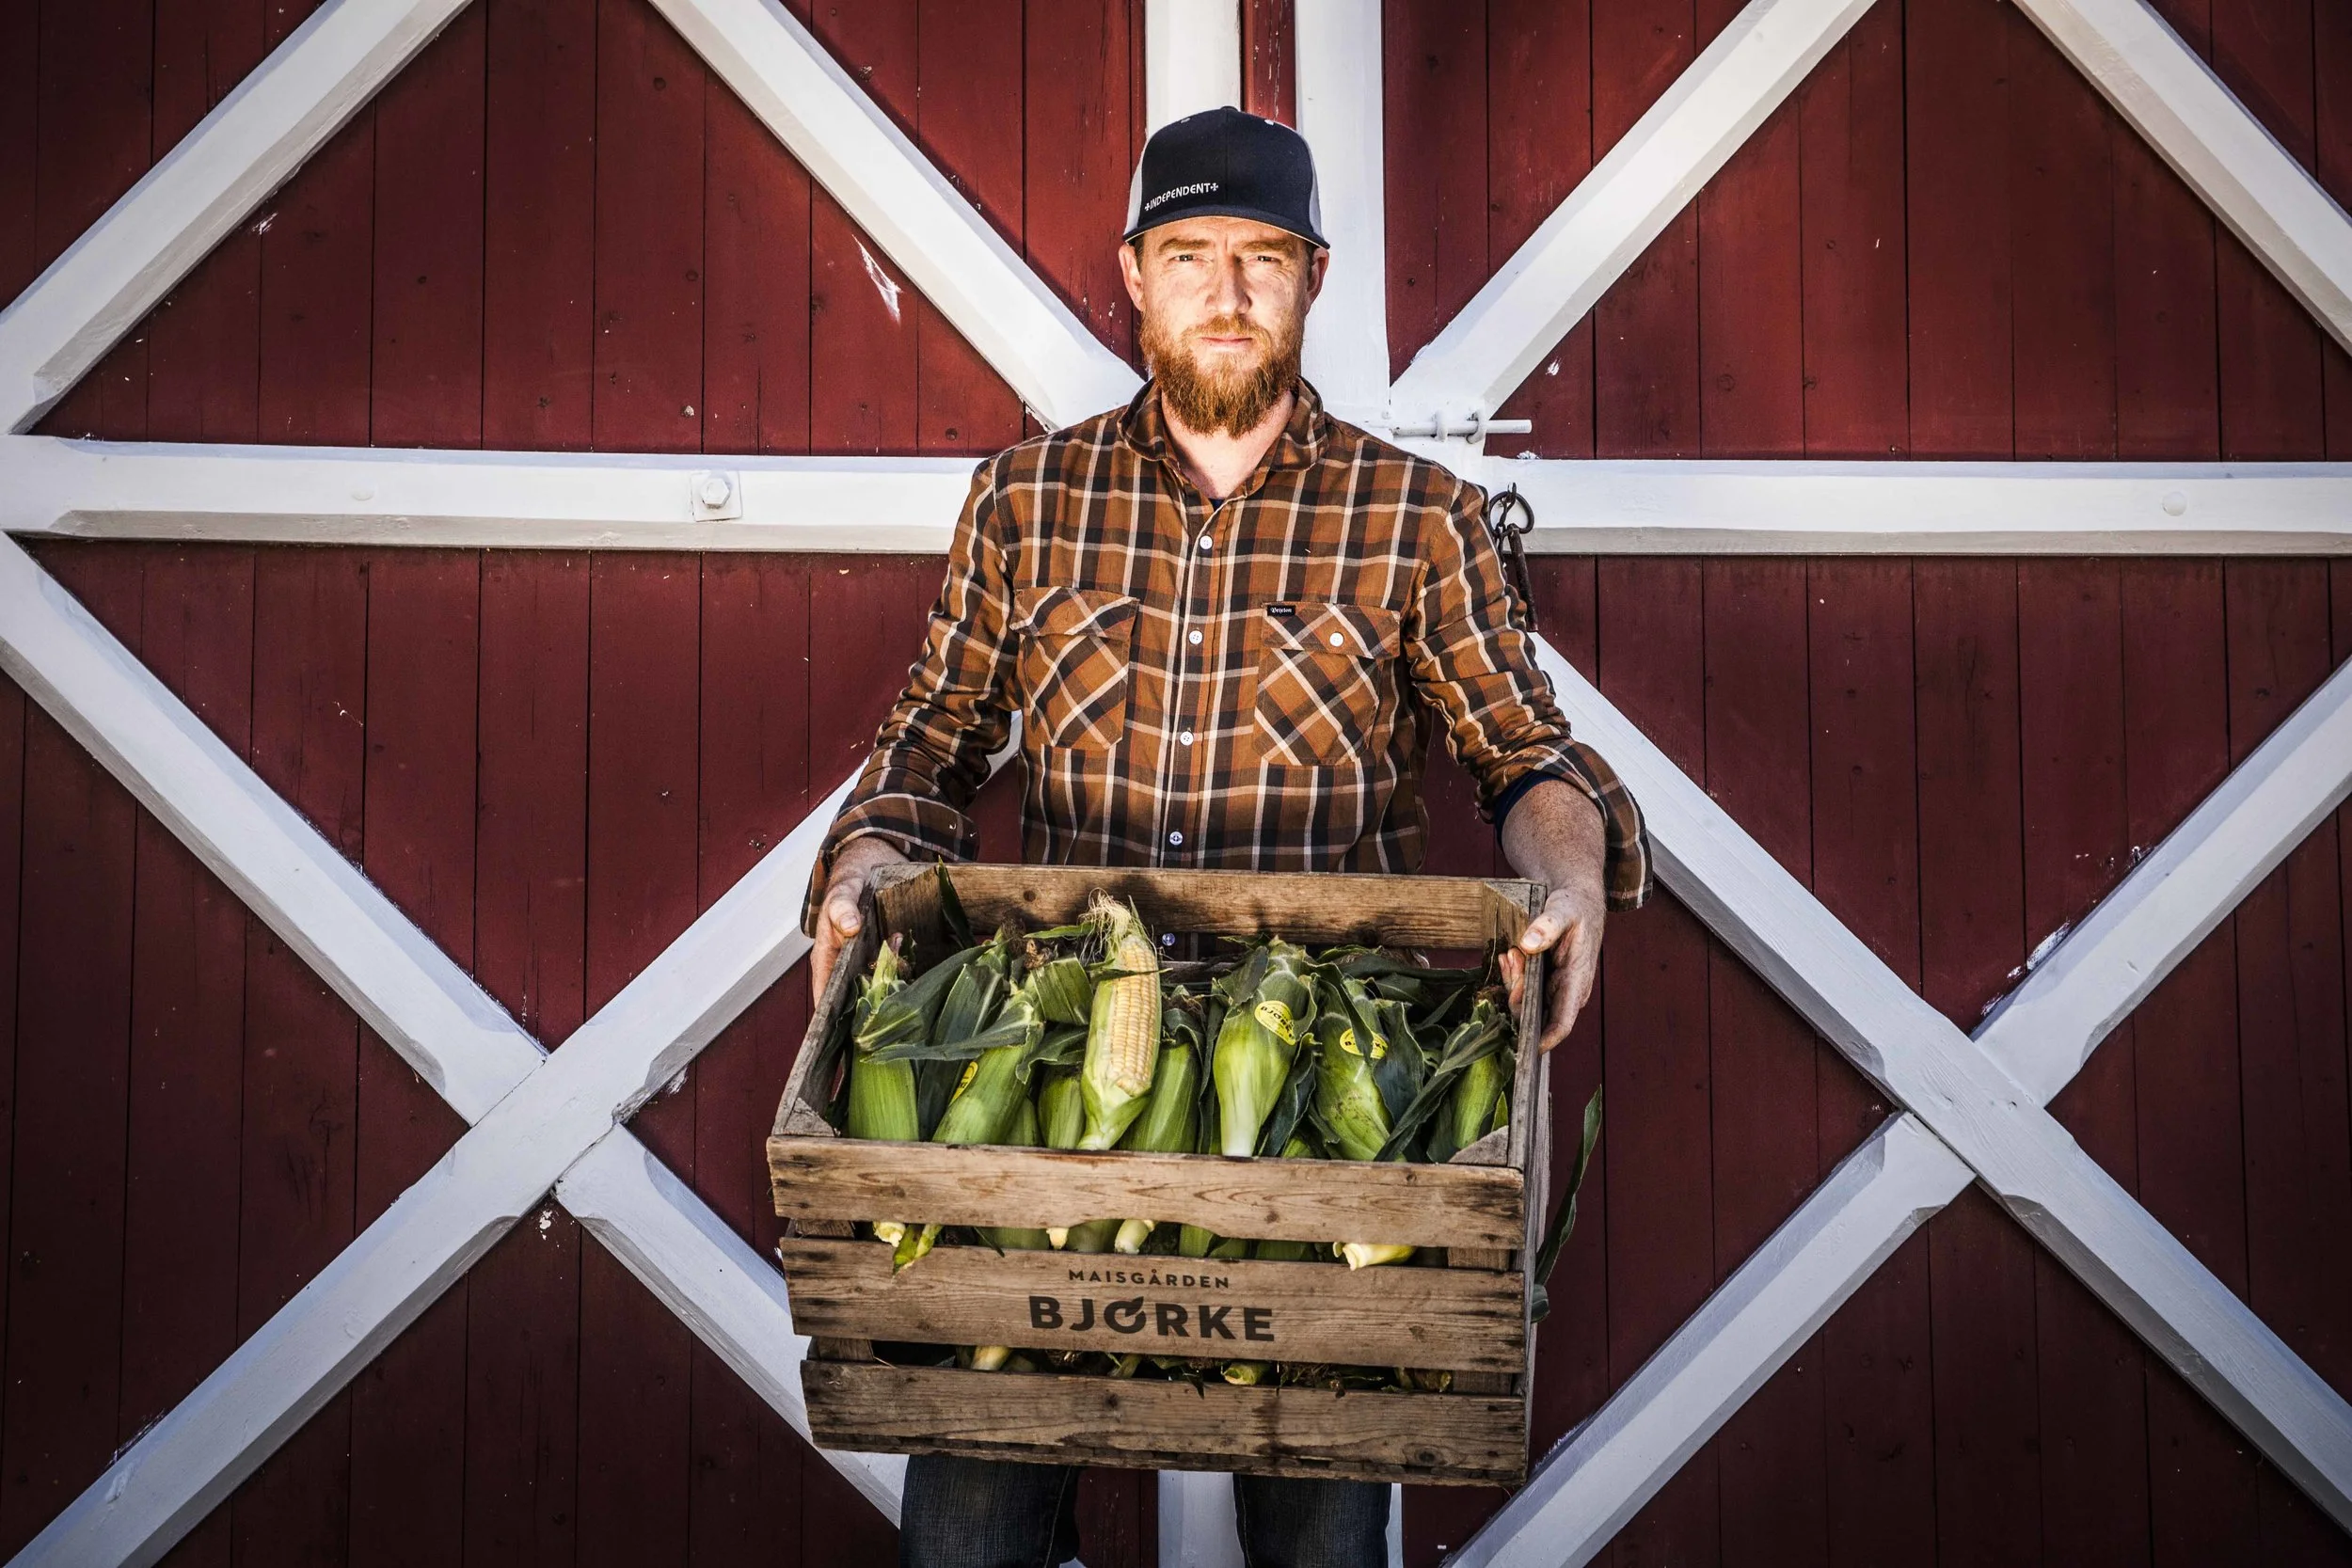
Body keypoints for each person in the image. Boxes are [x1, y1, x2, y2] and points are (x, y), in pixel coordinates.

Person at [800, 105, 1651, 1568]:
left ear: (1313, 276)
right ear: (1134, 273)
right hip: (1049, 1100)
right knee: (969, 1540)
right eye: (1189, 254)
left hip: (1326, 1110)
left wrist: (1568, 877)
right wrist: (865, 867)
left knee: (1324, 1543)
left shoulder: (1416, 520)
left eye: (1262, 258)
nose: (1227, 291)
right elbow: (928, 743)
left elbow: (1529, 755)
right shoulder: (1026, 504)